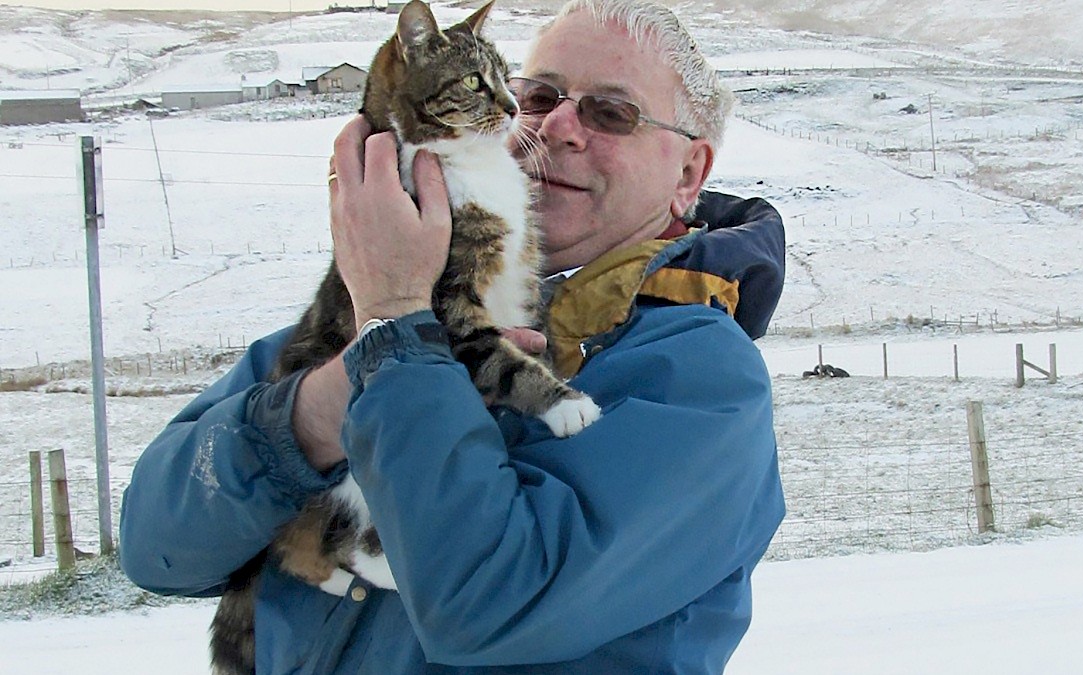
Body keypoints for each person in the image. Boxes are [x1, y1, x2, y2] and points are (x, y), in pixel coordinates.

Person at [119, 0, 786, 672]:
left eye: (610, 113)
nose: (557, 127)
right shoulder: (371, 305)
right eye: (540, 96)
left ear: (687, 174)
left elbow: (485, 604)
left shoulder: (700, 379)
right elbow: (155, 544)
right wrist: (317, 410)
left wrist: (395, 329)